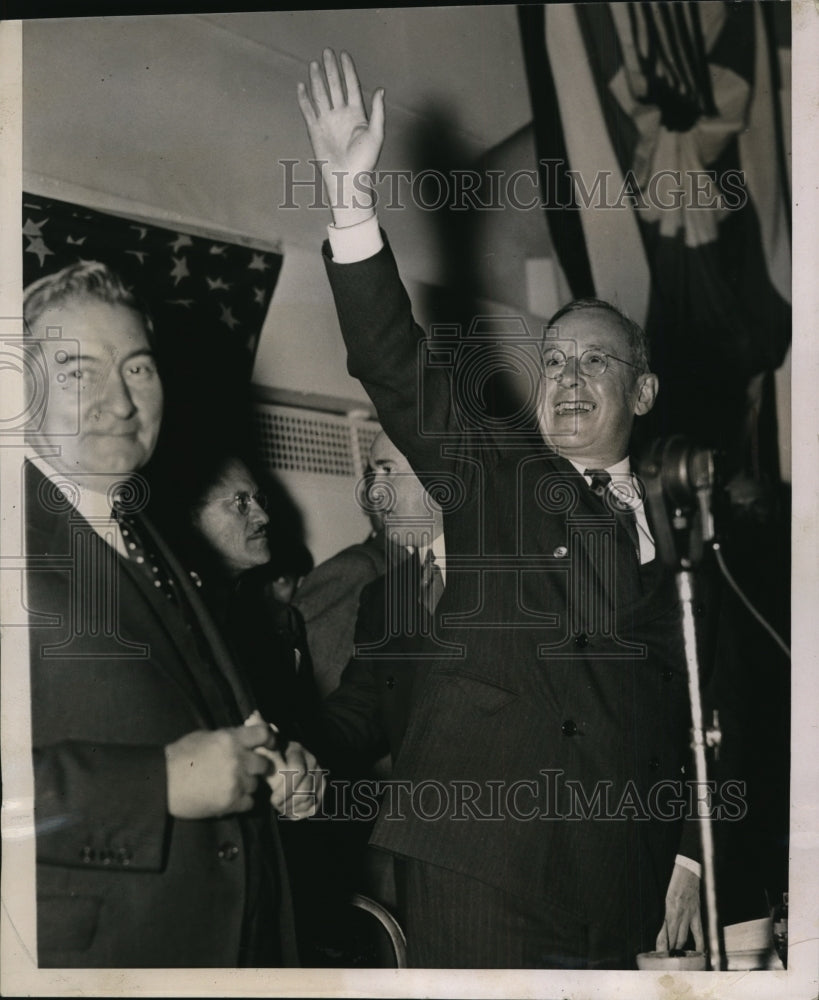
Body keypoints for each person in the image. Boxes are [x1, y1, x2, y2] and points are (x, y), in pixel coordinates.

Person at [296, 50, 720, 968]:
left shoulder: (689, 528)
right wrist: (348, 193)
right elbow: (394, 367)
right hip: (483, 860)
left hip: (628, 878)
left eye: (593, 362)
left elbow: (711, 707)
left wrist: (689, 846)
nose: (564, 378)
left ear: (642, 392)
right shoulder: (492, 470)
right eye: (552, 361)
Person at [22, 261, 321, 968]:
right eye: (77, 369)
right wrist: (153, 785)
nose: (119, 402)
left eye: (138, 368)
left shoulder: (154, 533)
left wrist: (273, 764)